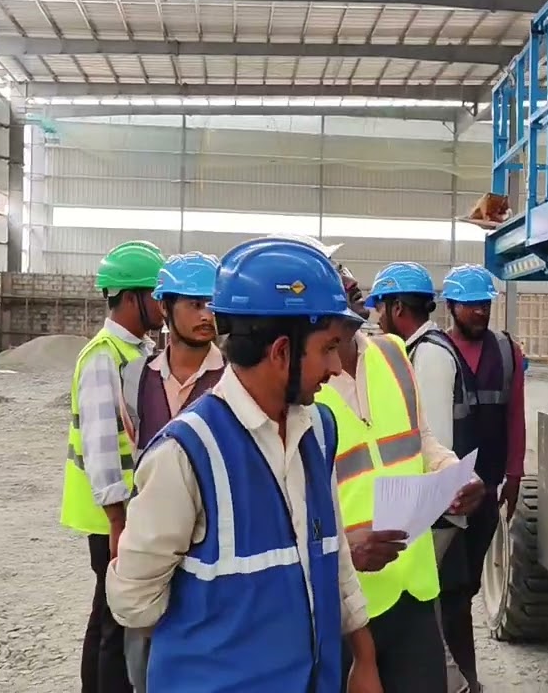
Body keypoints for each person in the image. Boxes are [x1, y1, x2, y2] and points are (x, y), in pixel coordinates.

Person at [105, 237, 384, 693]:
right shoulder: (185, 454)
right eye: (329, 348)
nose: (337, 366)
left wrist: (364, 658)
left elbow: (333, 557)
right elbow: (134, 603)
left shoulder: (320, 429)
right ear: (280, 352)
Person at [318, 273, 485, 693]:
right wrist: (345, 548)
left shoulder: (392, 353)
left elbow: (421, 438)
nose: (352, 282)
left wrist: (453, 474)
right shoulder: (304, 382)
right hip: (344, 594)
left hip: (412, 585)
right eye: (336, 278)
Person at [392, 263, 527, 693]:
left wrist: (514, 472)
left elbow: (515, 416)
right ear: (451, 306)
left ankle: (454, 674)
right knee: (449, 591)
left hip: (484, 489)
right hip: (448, 496)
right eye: (470, 306)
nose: (479, 312)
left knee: (462, 587)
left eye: (484, 304)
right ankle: (457, 677)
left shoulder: (507, 352)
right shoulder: (436, 352)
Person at [60, 239, 167, 693]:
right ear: (131, 298)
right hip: (112, 518)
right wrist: (118, 520)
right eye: (156, 294)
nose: (163, 304)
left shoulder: (135, 352)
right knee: (112, 622)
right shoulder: (104, 356)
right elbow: (102, 446)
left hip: (125, 514)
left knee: (110, 615)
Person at [117, 251, 225, 693]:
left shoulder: (233, 377)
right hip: (153, 533)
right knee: (143, 653)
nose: (207, 316)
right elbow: (133, 451)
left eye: (212, 305)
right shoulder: (133, 377)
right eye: (195, 305)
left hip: (214, 538)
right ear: (164, 307)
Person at [366, 262, 474, 693]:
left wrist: (438, 494)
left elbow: (430, 440)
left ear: (395, 306)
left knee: (430, 616)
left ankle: (458, 684)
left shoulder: (426, 354)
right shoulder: (417, 349)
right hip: (423, 511)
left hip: (433, 510)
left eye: (379, 308)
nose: (375, 318)